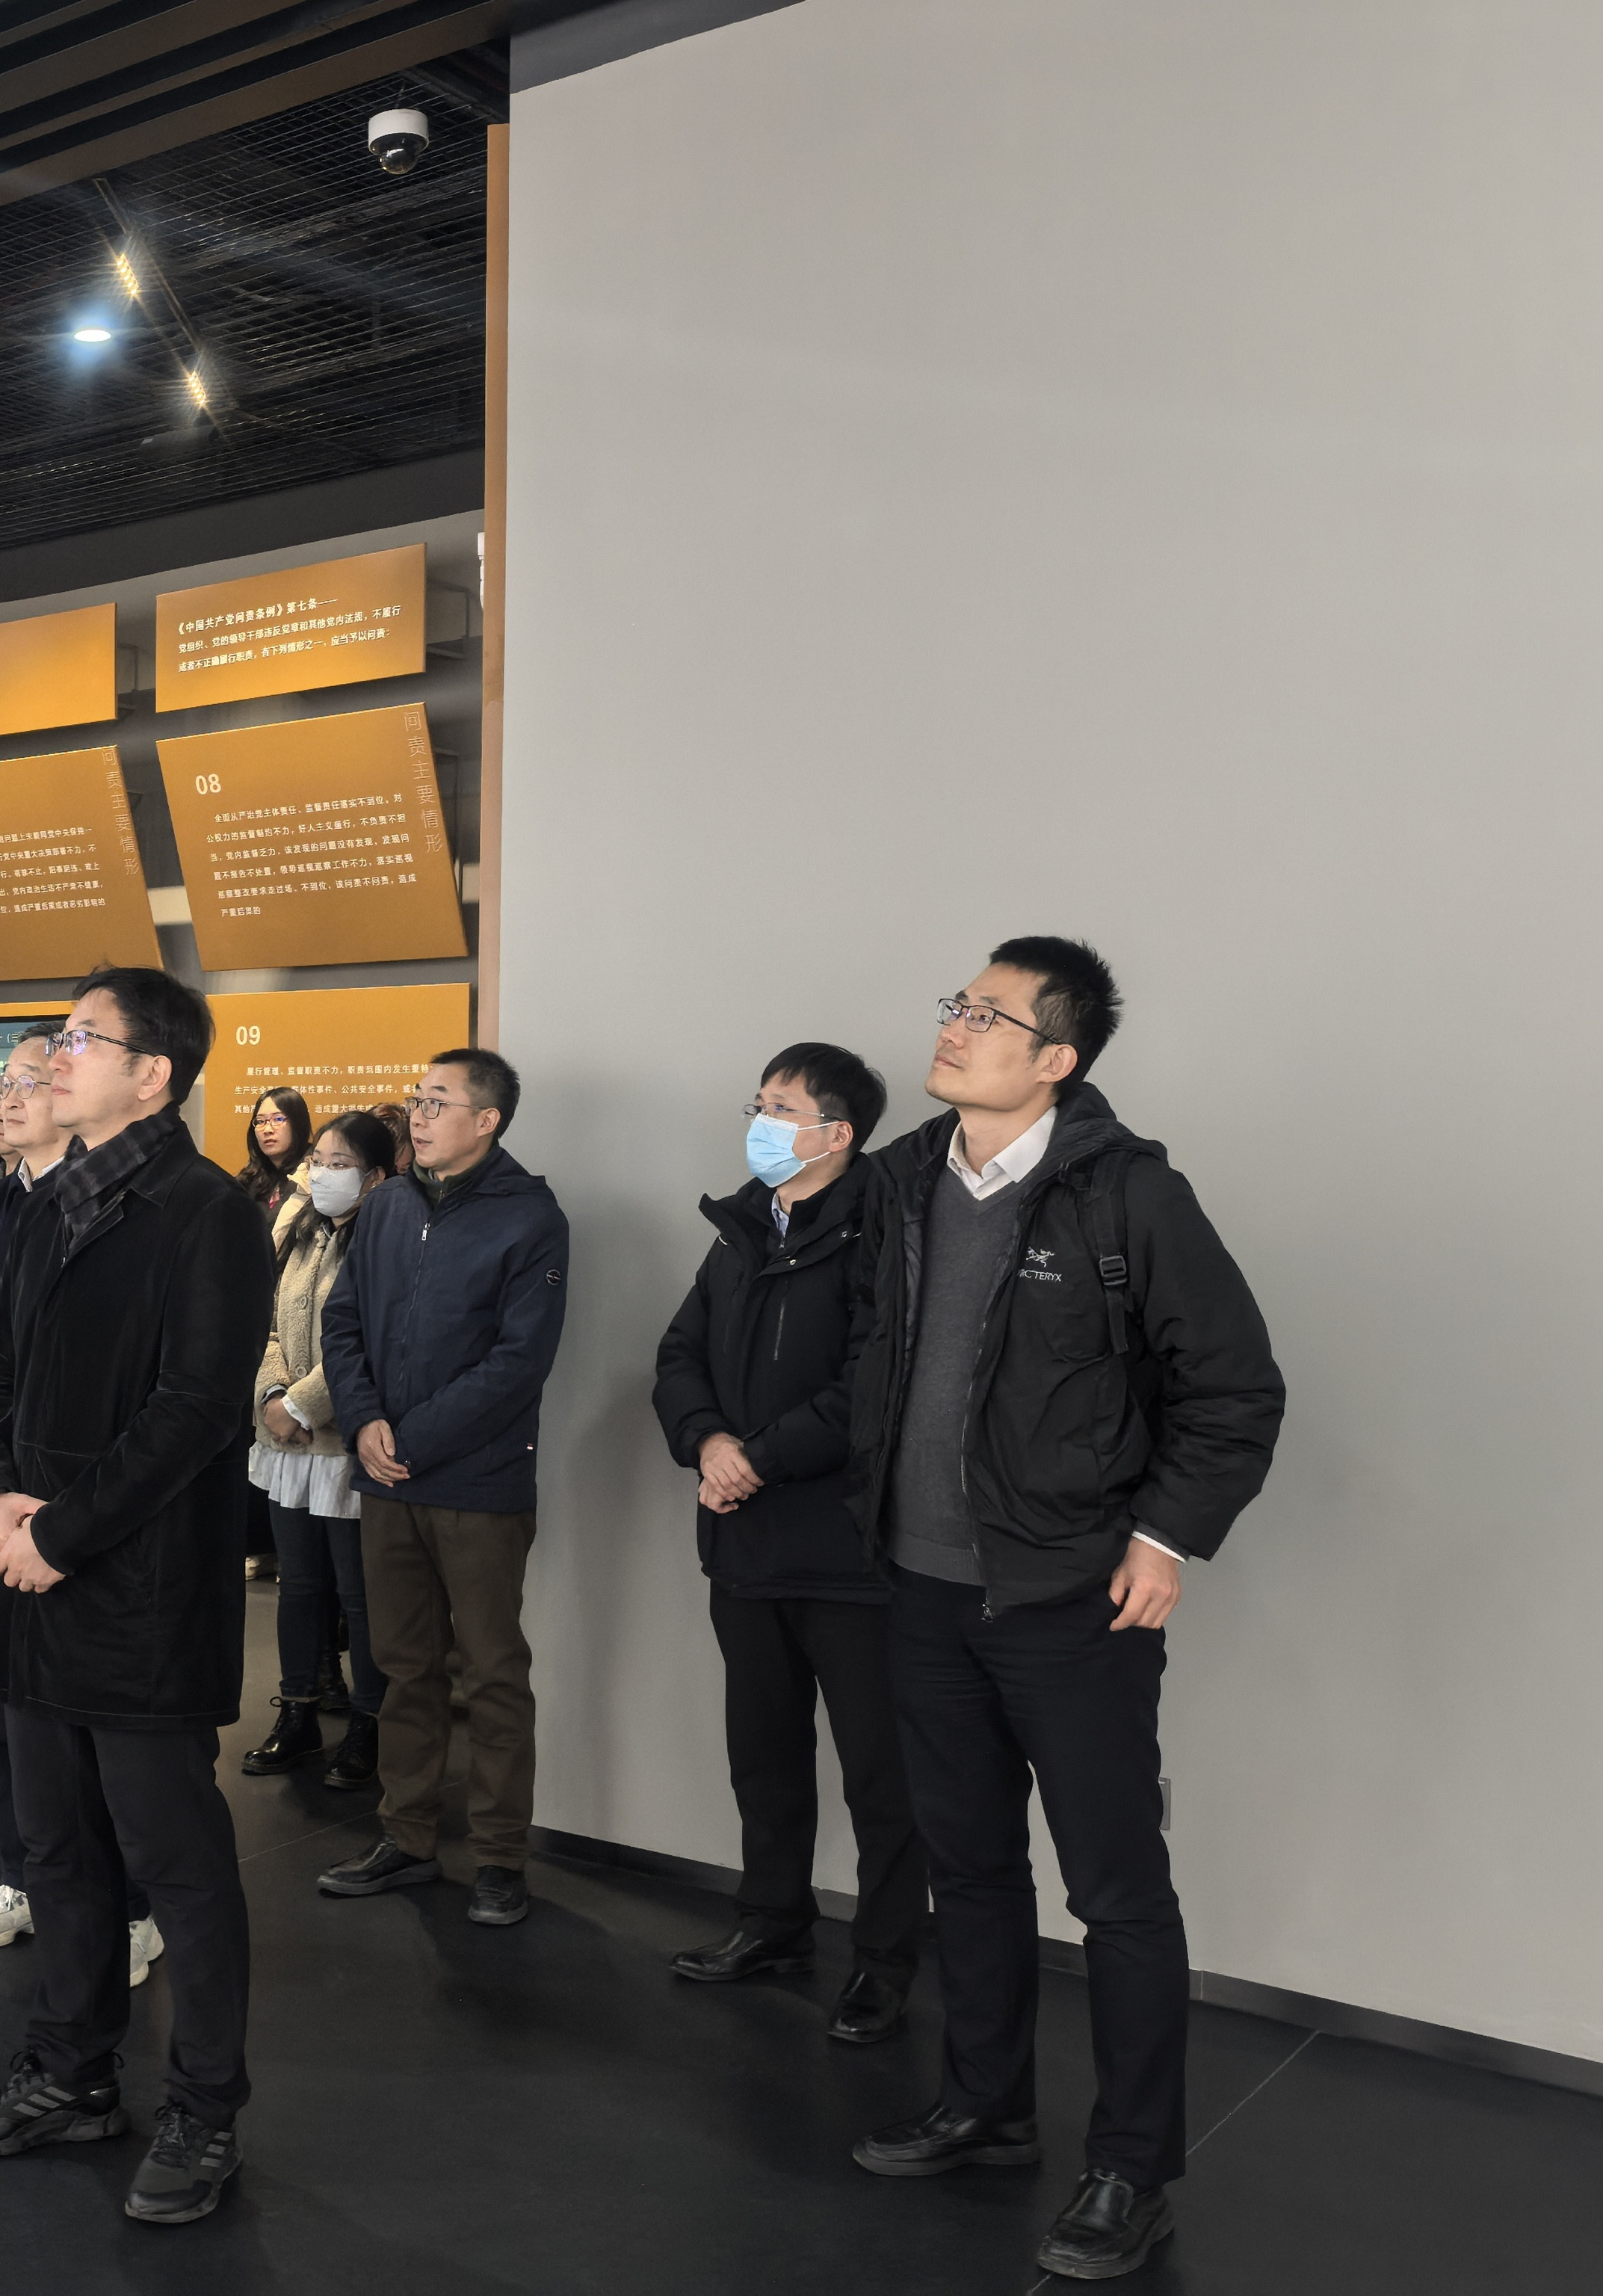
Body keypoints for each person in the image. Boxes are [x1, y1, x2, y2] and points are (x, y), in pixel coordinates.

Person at [841, 940, 1282, 2286]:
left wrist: (1164, 1535)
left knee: (1117, 1894)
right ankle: (986, 2106)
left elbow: (1234, 1387)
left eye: (990, 1014)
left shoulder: (1129, 1194)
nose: (957, 1025)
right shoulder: (902, 1180)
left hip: (1066, 1599)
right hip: (920, 1590)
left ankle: (1131, 2169)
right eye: (957, 1004)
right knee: (968, 1866)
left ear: (1056, 1059)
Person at [0, 966, 275, 2229]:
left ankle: (203, 2106)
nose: (56, 1056)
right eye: (61, 1037)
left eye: (84, 1038)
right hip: (32, 1574)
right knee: (58, 1851)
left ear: (154, 1073)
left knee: (175, 1866)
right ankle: (71, 2072)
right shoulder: (39, 1205)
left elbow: (196, 1409)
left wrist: (61, 1534)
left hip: (141, 1590)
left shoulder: (208, 1212)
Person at [651, 1045, 924, 2046]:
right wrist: (708, 1444)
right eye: (758, 1105)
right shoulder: (741, 1230)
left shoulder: (884, 1233)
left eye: (780, 1109)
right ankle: (771, 1923)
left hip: (850, 1555)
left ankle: (886, 1962)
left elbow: (872, 1388)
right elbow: (678, 1355)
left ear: (837, 1134)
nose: (760, 1124)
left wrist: (753, 1459)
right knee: (762, 1754)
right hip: (743, 1544)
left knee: (882, 1778)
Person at [0, 1025, 164, 1987]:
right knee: (1, 1699)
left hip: (82, 1497)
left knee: (98, 1718)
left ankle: (130, 1905)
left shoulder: (129, 1207)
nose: (11, 1097)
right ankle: (21, 1877)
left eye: (34, 1078)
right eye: (5, 1084)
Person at [315, 1048, 569, 1928]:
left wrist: (410, 1438)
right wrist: (364, 1421)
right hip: (386, 1477)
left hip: (476, 1482)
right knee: (402, 1666)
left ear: (486, 1121)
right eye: (416, 1101)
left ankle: (498, 1859)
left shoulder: (530, 1217)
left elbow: (518, 1362)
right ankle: (407, 1836)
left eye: (437, 1102)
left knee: (491, 1674)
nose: (418, 1116)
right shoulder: (387, 1206)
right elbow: (342, 1321)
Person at [241, 1110, 402, 1788]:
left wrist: (304, 1406)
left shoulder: (390, 1236)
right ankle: (298, 1712)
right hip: (285, 1443)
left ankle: (368, 1723)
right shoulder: (296, 1226)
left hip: (344, 1444)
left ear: (376, 1176)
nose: (324, 1174)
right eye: (320, 1161)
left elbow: (371, 1339)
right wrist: (274, 1396)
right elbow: (268, 1323)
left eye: (342, 1164)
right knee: (299, 1586)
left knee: (358, 1594)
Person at [235, 1087, 312, 1223]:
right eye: (260, 1121)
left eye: (278, 1119)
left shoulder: (313, 1173)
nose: (267, 1130)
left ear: (298, 1123)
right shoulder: (250, 1179)